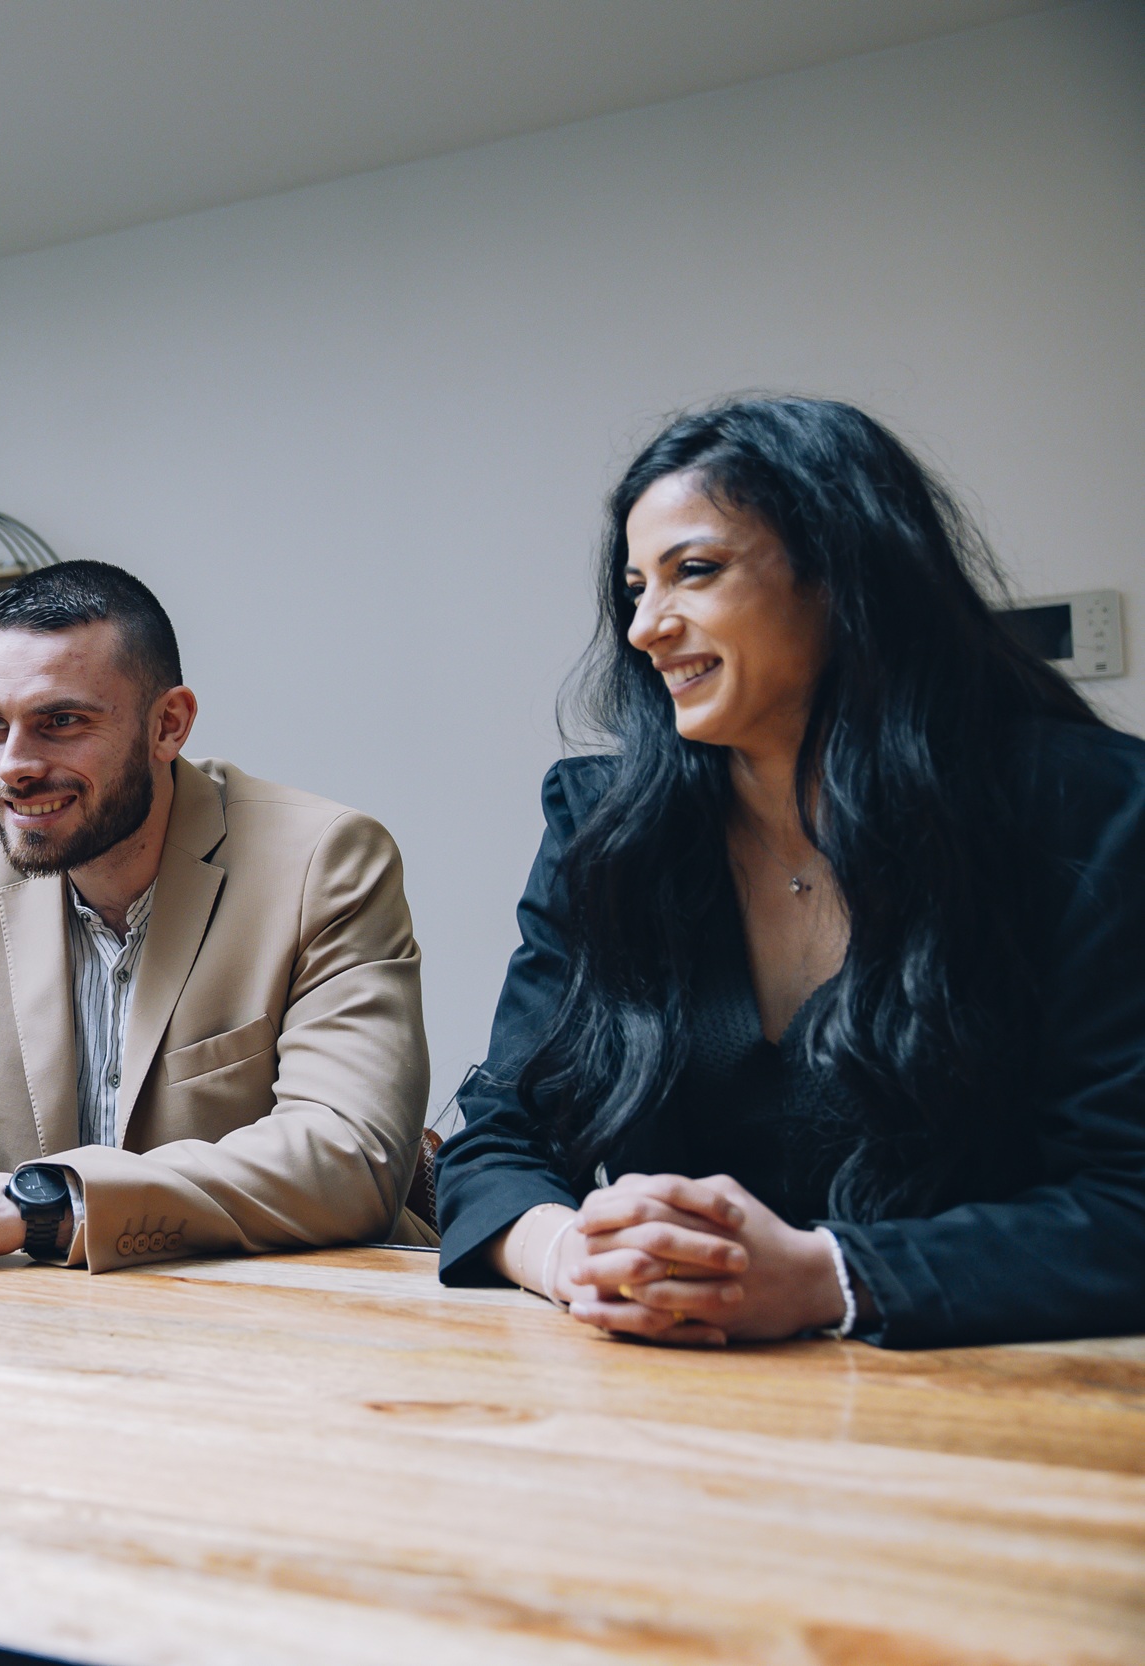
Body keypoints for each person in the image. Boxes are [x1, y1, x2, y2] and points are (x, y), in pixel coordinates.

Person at [435, 396, 1145, 1349]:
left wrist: (829, 1278)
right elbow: (494, 1140)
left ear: (843, 576)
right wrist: (571, 1255)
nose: (645, 626)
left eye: (694, 571)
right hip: (663, 1391)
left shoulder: (1091, 809)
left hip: (998, 1401)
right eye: (636, 587)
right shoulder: (601, 827)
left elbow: (1126, 1202)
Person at [0, 560, 432, 1271]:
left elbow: (350, 1153)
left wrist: (31, 1205)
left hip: (298, 1312)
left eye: (61, 722)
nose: (13, 766)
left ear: (168, 725)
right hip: (52, 1321)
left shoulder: (324, 863)